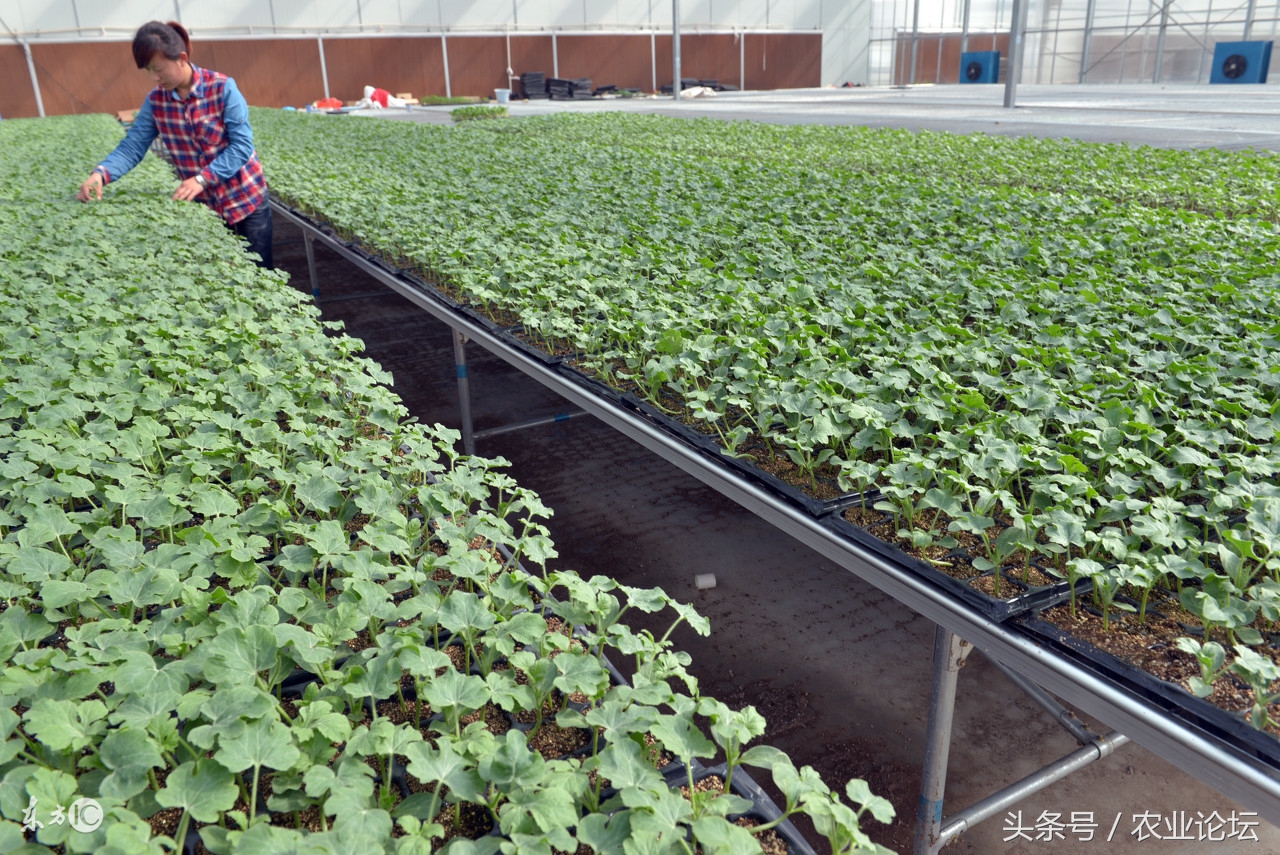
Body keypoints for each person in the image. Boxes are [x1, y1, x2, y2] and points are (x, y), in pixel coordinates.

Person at [77, 21, 273, 268]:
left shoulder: (222, 88)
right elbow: (133, 146)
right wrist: (100, 175)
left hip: (246, 200)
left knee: (260, 274)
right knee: (221, 275)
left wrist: (202, 179)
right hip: (205, 209)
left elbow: (242, 147)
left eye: (158, 69)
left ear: (181, 58)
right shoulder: (156, 101)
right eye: (148, 70)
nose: (154, 77)